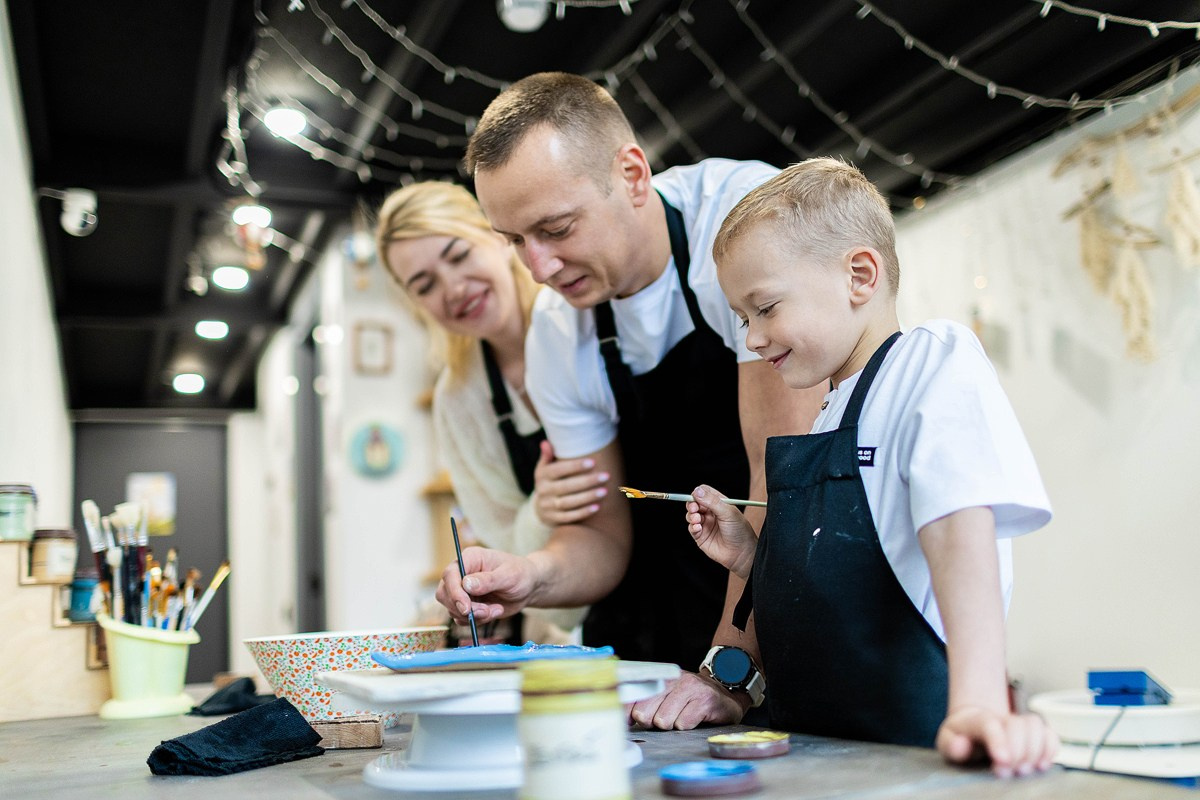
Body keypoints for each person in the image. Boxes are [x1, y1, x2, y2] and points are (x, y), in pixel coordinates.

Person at [434, 72, 825, 729]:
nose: (539, 269)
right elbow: (600, 537)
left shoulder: (744, 225)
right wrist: (530, 574)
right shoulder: (559, 331)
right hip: (668, 635)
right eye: (513, 240)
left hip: (797, 599)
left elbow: (774, 484)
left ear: (633, 174)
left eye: (556, 228)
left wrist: (727, 669)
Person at [684, 157, 1058, 776]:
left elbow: (957, 527)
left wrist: (979, 703)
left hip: (911, 756)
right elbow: (852, 574)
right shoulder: (829, 412)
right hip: (814, 758)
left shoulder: (931, 361)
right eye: (743, 318)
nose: (751, 338)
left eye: (766, 307)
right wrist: (754, 557)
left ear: (859, 275)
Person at [376, 181, 608, 643]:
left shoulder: (583, 317)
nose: (454, 288)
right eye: (425, 285)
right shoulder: (458, 400)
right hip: (585, 618)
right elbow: (504, 547)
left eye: (459, 256)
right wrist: (540, 509)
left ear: (500, 238)